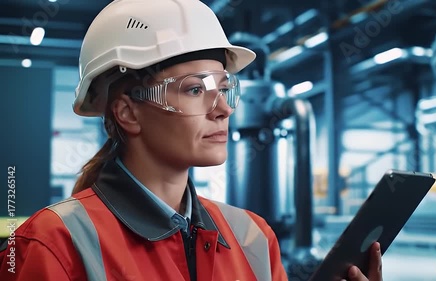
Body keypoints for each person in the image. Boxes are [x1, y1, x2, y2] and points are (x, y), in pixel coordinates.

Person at [0, 0, 383, 280]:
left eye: (224, 88)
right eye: (195, 89)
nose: (223, 109)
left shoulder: (252, 237)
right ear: (128, 112)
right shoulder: (53, 244)